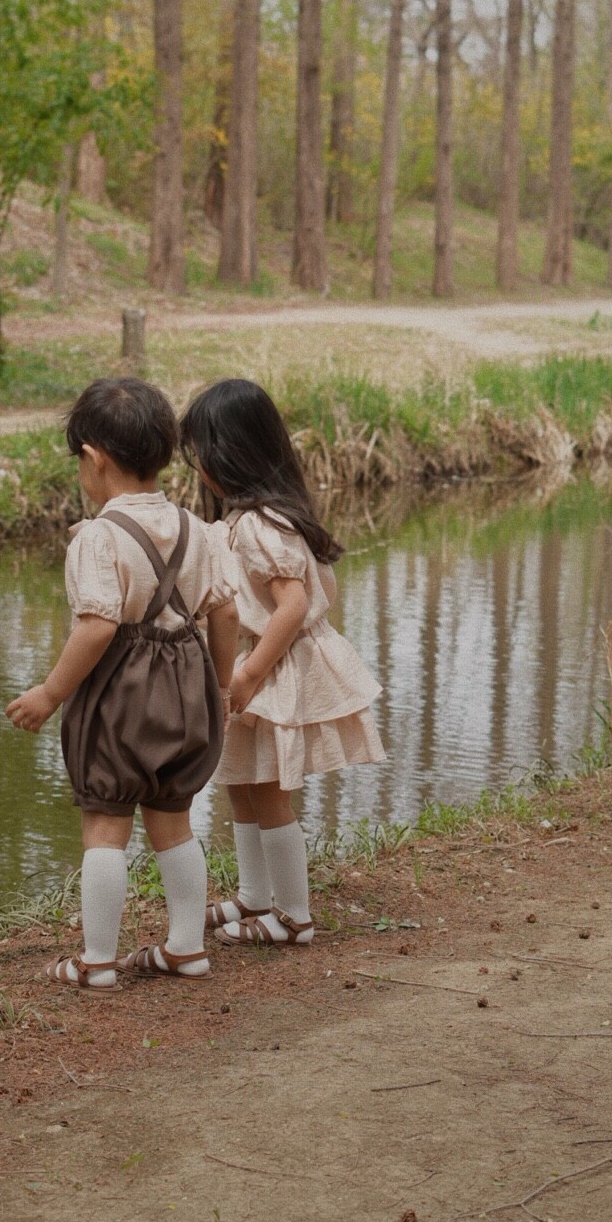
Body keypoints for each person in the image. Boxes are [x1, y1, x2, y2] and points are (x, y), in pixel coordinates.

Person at [6, 377, 239, 989]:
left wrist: (49, 694)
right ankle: (187, 947)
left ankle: (98, 961)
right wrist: (219, 690)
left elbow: (97, 626)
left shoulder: (98, 537)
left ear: (93, 457)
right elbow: (226, 614)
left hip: (120, 695)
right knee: (173, 817)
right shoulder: (198, 530)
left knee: (106, 822)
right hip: (187, 689)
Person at [180, 378, 386, 948]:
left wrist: (247, 675)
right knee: (241, 784)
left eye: (202, 453)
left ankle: (294, 916)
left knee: (269, 791)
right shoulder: (242, 520)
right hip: (254, 664)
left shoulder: (261, 524)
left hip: (272, 667)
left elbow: (291, 606)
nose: (199, 467)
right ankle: (255, 896)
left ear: (231, 453)